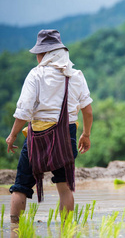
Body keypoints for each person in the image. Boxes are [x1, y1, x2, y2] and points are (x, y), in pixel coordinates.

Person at [5, 29, 93, 224]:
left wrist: (12, 136)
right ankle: (67, 231)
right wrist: (86, 135)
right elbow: (87, 111)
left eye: (38, 53)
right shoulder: (75, 75)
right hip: (66, 135)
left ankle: (14, 230)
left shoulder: (36, 75)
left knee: (21, 186)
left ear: (44, 54)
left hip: (37, 136)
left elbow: (23, 113)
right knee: (65, 187)